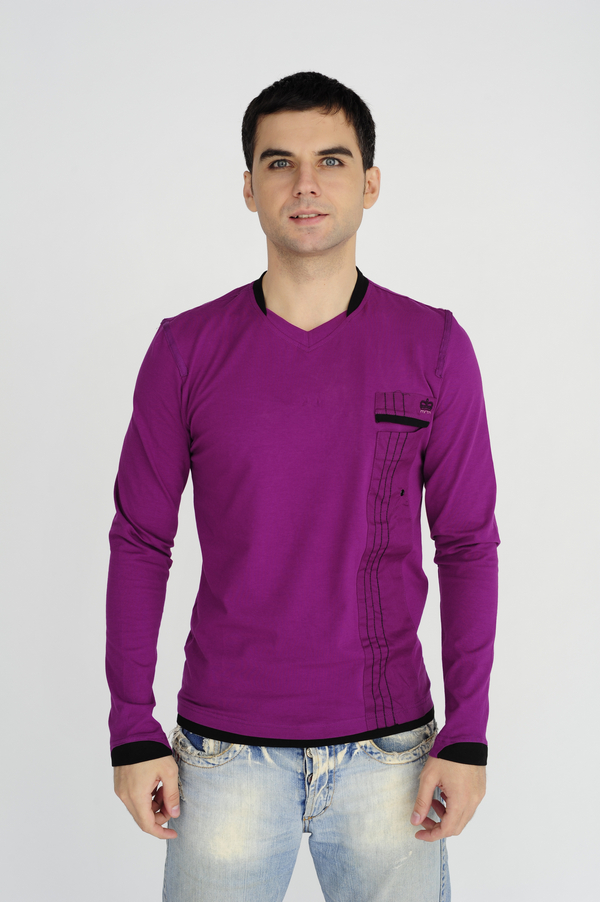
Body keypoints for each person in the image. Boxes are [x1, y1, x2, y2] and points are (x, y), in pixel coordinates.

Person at [107, 71, 499, 901]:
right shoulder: (185, 350)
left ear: (370, 183)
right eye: (280, 163)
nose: (306, 184)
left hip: (391, 757)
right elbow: (141, 540)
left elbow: (467, 543)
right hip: (223, 754)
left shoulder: (433, 346)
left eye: (332, 160)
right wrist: (130, 727)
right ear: (249, 188)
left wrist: (468, 733)